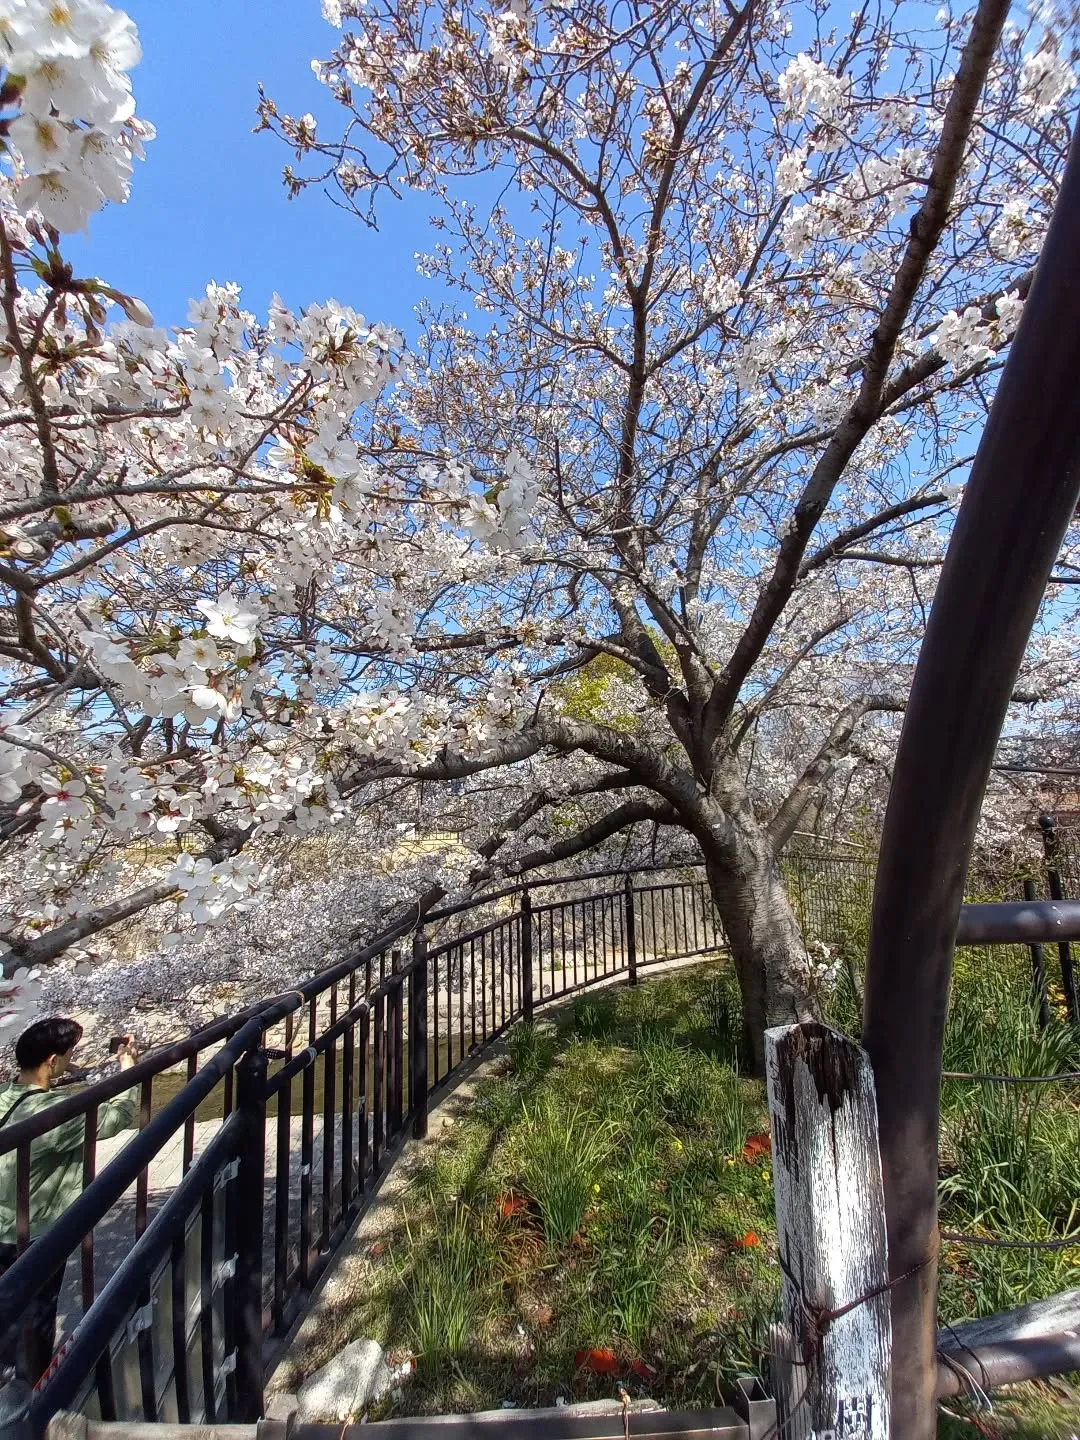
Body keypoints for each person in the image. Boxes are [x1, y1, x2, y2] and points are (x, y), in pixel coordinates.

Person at [0, 1018, 138, 1386]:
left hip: (2, 1226)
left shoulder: (5, 1096)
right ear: (51, 1061)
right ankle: (31, 1399)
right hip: (35, 1232)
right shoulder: (52, 1114)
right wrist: (128, 1069)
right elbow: (117, 1117)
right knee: (37, 1315)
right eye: (68, 1055)